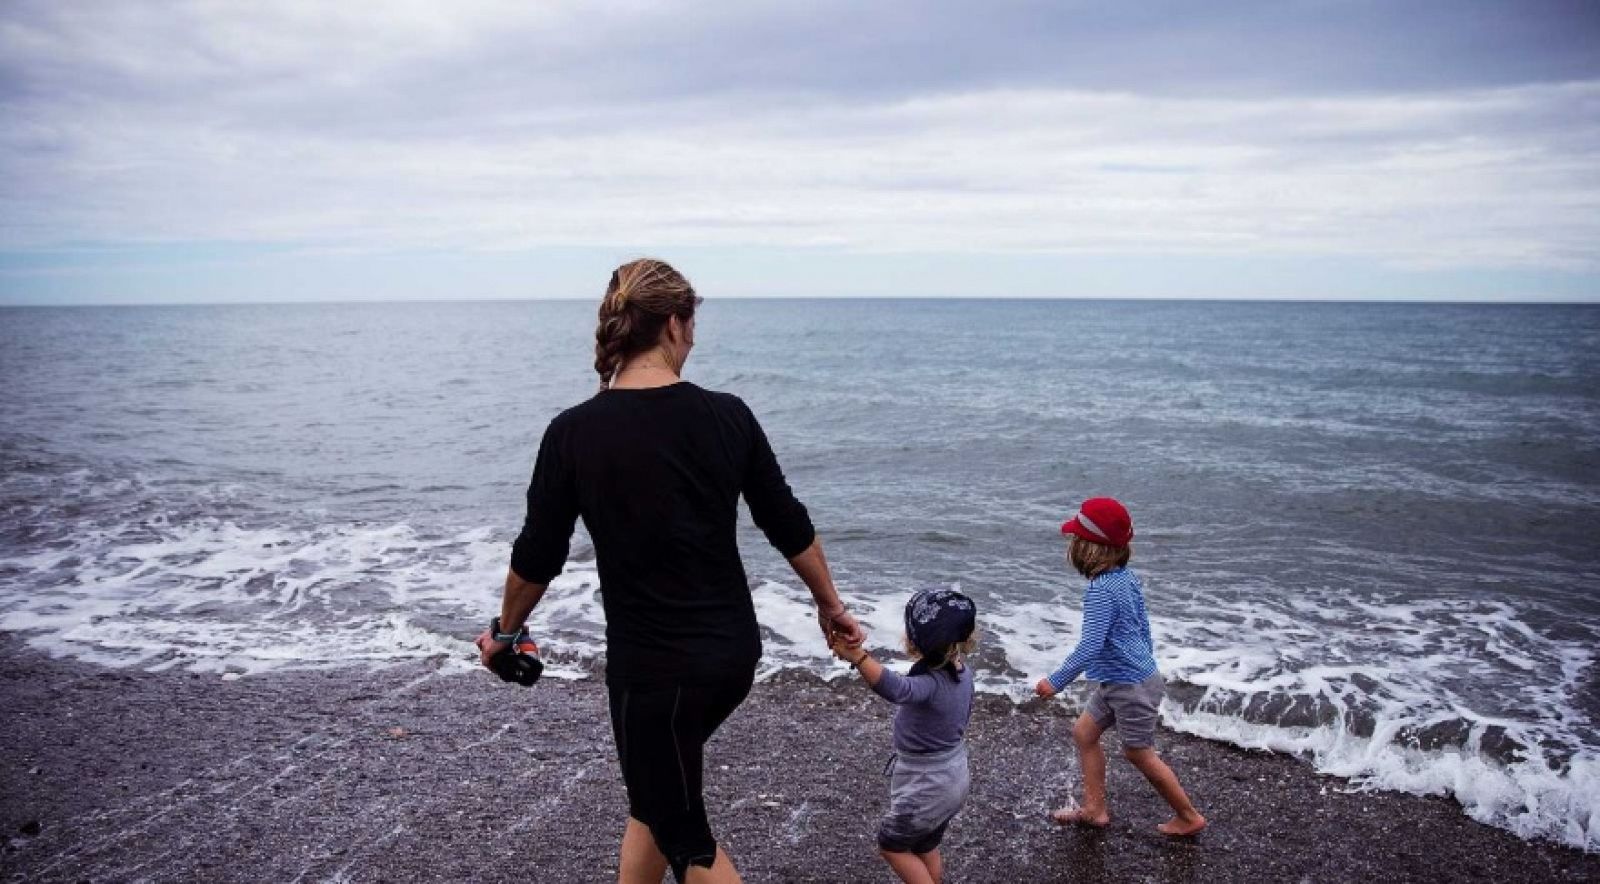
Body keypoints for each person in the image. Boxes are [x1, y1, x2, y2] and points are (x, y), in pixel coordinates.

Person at [474, 258, 867, 884]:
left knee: (684, 834)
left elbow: (537, 554)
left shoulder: (573, 433)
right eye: (694, 323)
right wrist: (831, 605)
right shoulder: (728, 414)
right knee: (655, 797)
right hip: (732, 656)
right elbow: (787, 521)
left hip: (653, 675)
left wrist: (504, 630)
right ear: (676, 325)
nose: (695, 338)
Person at [1032, 497, 1206, 837]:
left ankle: (1188, 816)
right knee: (1084, 733)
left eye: (1075, 541)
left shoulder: (1100, 591)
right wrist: (1145, 663)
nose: (1071, 548)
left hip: (1131, 685)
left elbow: (1090, 646)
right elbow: (1143, 627)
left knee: (1138, 752)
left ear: (1089, 548)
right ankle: (1095, 809)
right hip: (1124, 678)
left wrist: (1056, 681)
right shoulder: (1126, 578)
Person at [831, 588, 976, 884]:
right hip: (954, 775)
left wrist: (858, 656)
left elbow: (896, 688)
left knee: (892, 845)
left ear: (913, 641)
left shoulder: (930, 683)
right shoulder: (963, 673)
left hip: (929, 783)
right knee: (926, 844)